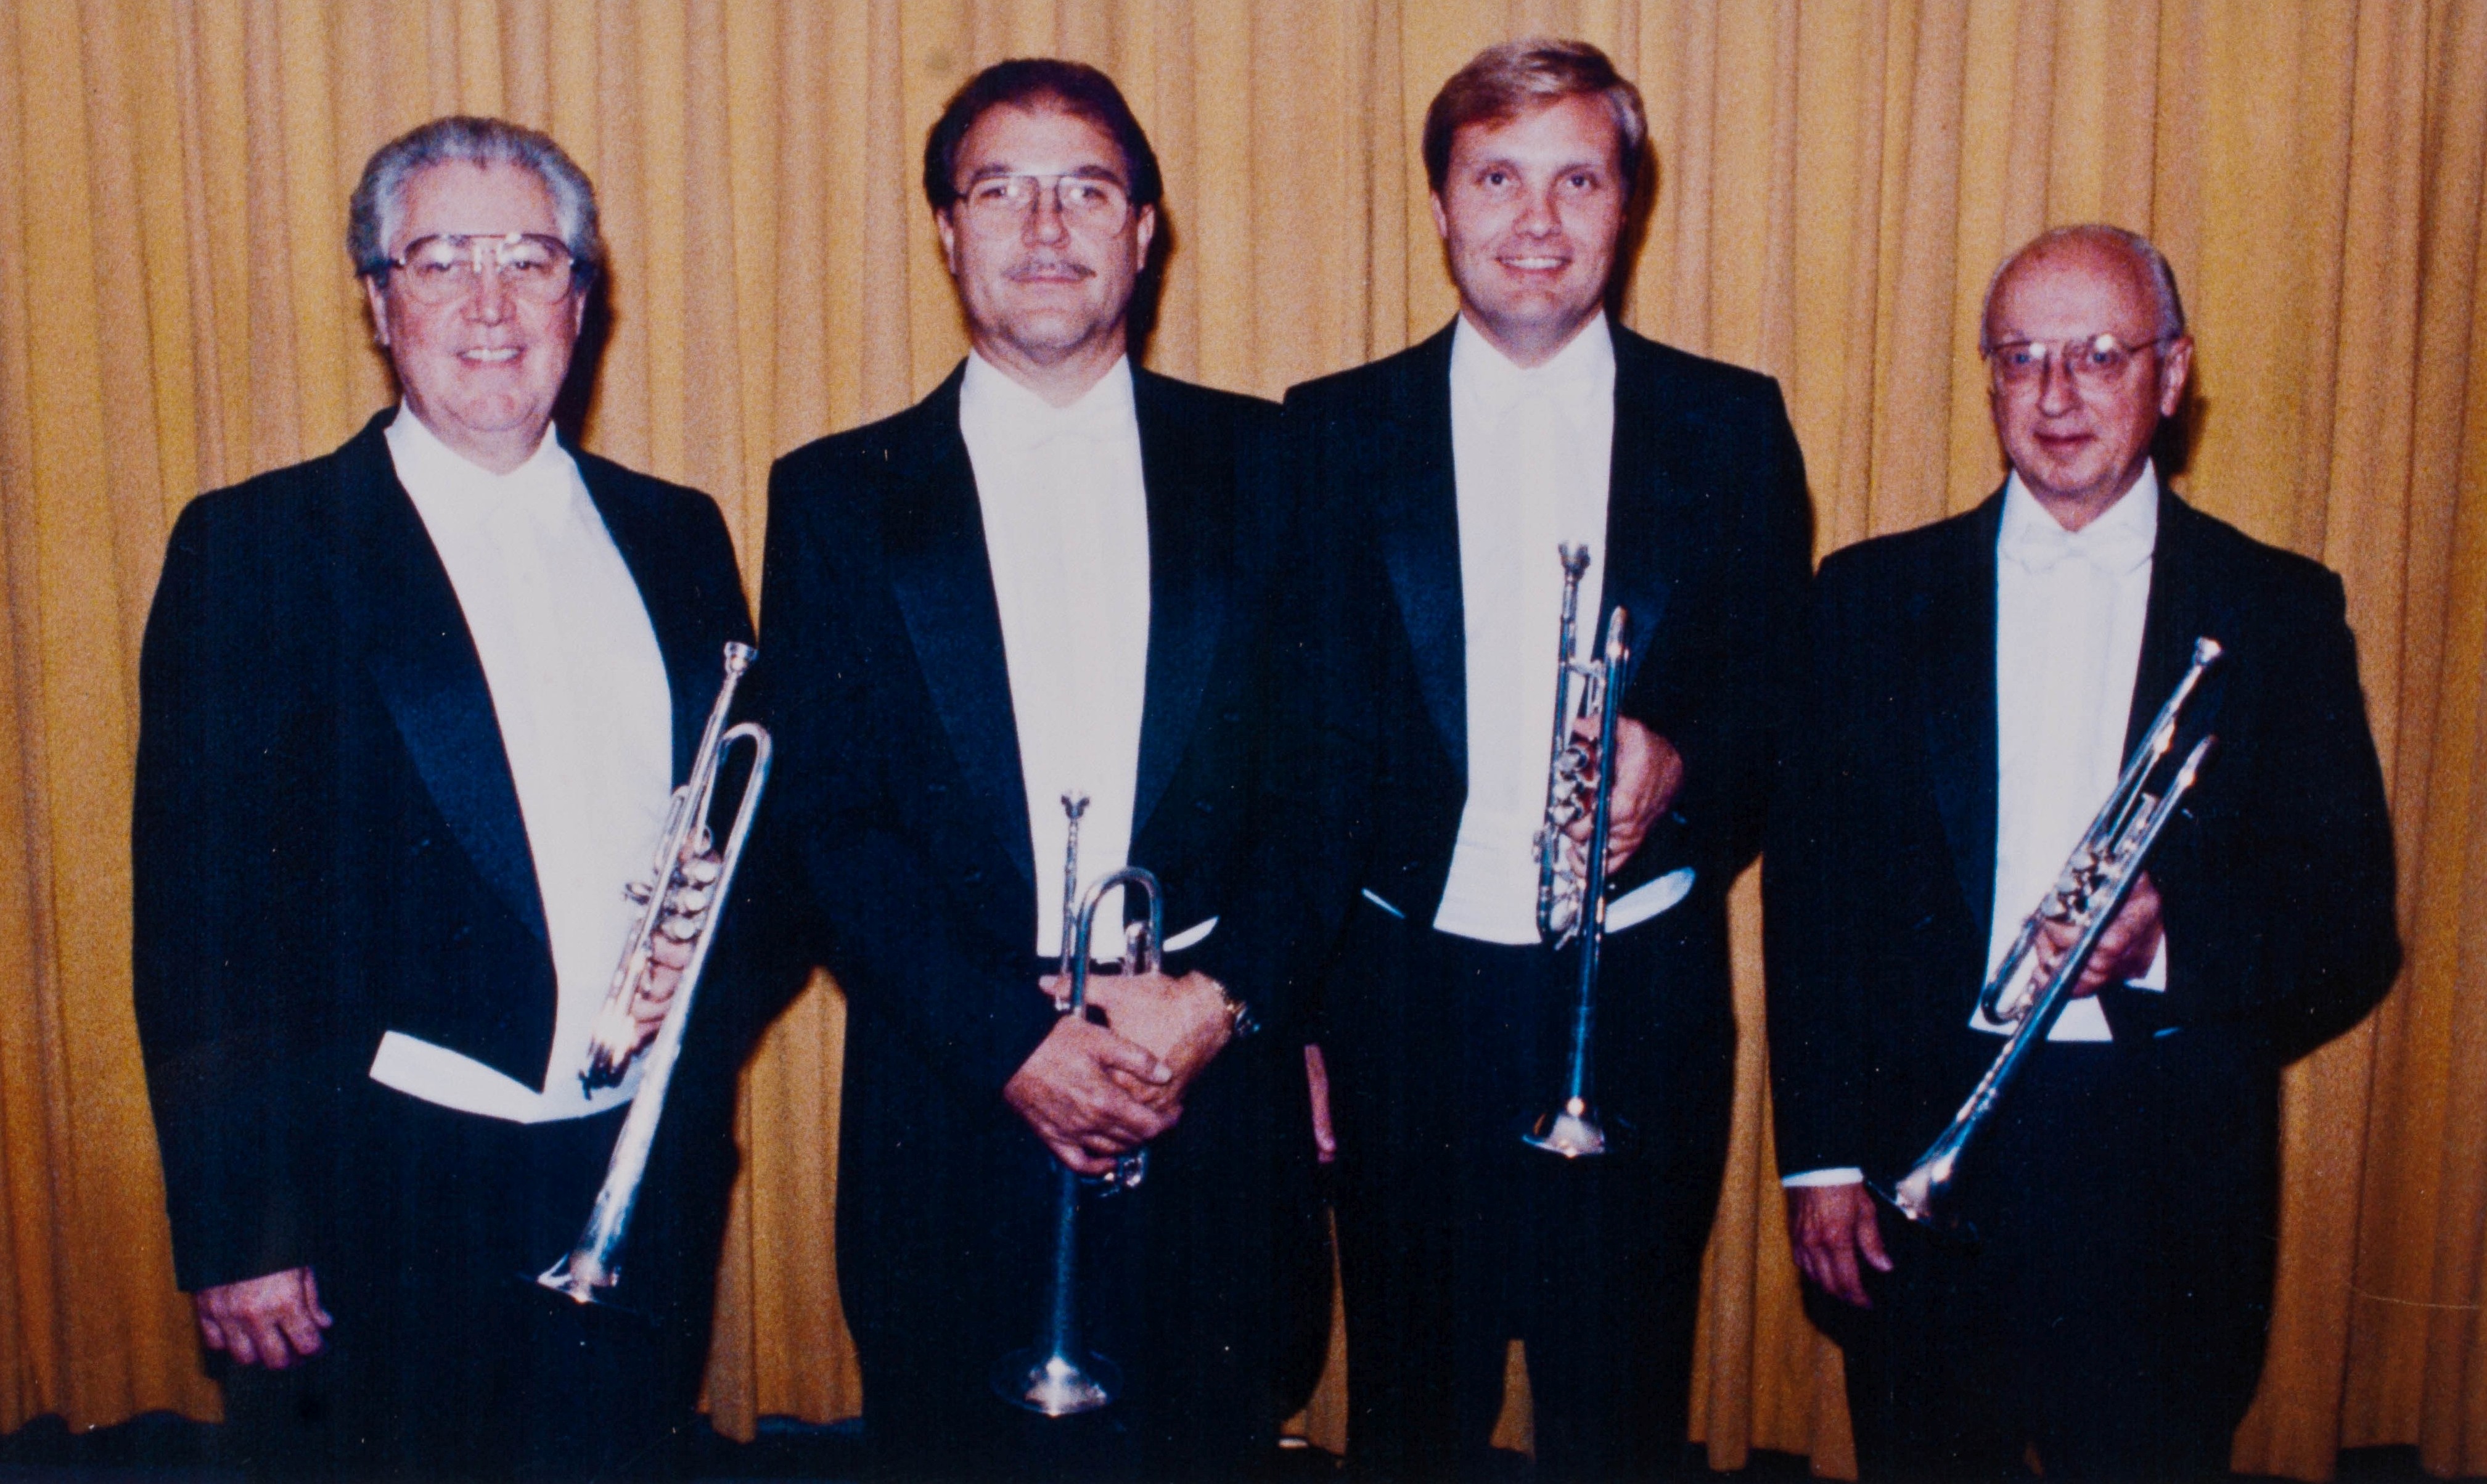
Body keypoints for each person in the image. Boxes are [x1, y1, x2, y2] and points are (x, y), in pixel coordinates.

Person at [131, 116, 755, 1480]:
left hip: (629, 1178)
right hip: (375, 1190)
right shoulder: (257, 544)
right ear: (377, 299)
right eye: (440, 260)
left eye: (529, 260)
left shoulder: (679, 528)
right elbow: (198, 915)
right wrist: (245, 1226)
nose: (488, 303)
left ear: (581, 301)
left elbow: (736, 835)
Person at [752, 57, 1322, 1482]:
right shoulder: (831, 493)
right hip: (954, 1090)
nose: (1047, 226)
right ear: (947, 231)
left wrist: (1218, 999)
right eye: (1000, 189)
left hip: (1203, 1077)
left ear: (1146, 230)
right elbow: (826, 821)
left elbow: (1338, 781)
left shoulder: (1278, 464)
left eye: (1089, 189)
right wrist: (1010, 1042)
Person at [1764, 224, 2401, 1481]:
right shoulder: (1870, 596)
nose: (2055, 396)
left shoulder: (2275, 609)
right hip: (1918, 1148)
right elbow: (1814, 902)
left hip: (2160, 1168)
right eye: (2021, 358)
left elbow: (2350, 919)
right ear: (1989, 378)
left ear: (2170, 376)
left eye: (2099, 356)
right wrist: (1823, 1154)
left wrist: (2165, 942)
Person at [1274, 38, 1813, 1482]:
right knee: (1411, 1409)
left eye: (1578, 177)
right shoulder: (1326, 434)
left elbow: (1781, 720)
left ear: (1625, 205)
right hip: (1404, 999)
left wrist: (1680, 764)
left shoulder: (1734, 424)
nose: (1536, 218)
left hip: (1636, 996)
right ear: (1441, 204)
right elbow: (1291, 758)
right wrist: (1302, 1023)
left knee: (1618, 1413)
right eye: (1496, 177)